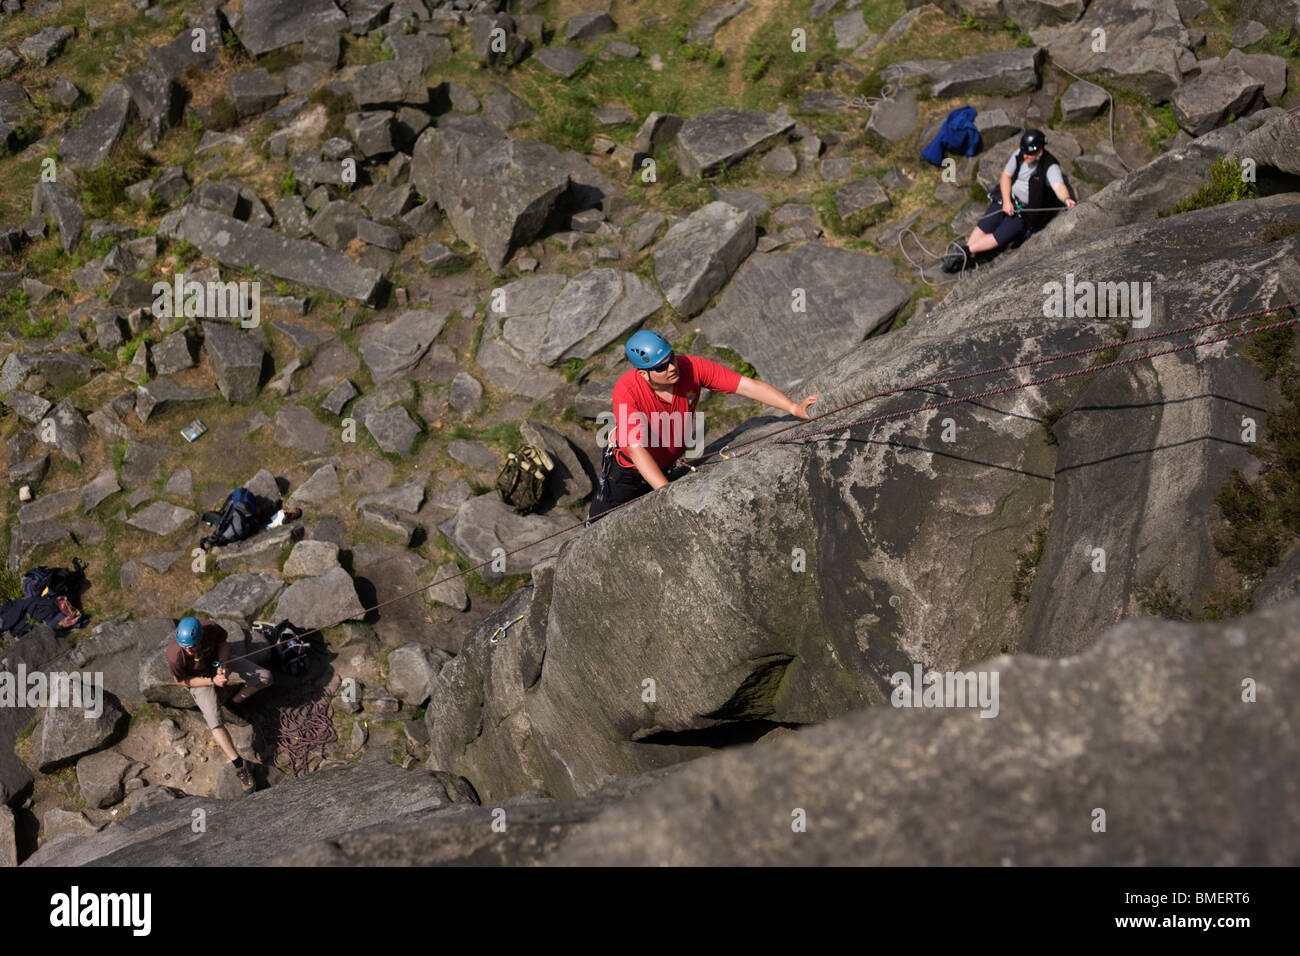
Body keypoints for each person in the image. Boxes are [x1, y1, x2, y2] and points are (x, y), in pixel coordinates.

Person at [587, 330, 819, 522]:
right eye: (661, 367)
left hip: (667, 464)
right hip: (627, 473)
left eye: (671, 358)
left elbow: (745, 385)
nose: (671, 367)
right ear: (643, 374)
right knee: (599, 524)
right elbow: (636, 448)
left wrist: (793, 408)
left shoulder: (692, 367)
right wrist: (668, 493)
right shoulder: (627, 390)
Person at [943, 129, 1076, 273]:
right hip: (1005, 198)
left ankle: (964, 252)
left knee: (999, 237)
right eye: (1023, 152)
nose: (1024, 156)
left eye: (1028, 154)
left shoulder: (1050, 167)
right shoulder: (1020, 154)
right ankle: (965, 253)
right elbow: (1006, 176)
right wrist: (1007, 201)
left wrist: (1067, 199)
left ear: (1040, 152)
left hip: (1024, 213)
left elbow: (1059, 186)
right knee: (984, 225)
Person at [167, 617, 273, 794]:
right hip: (200, 680)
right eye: (186, 647)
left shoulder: (211, 629)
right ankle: (240, 766)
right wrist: (211, 681)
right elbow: (182, 681)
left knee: (266, 677)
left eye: (192, 646)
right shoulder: (175, 655)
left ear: (201, 637)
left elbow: (223, 644)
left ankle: (233, 703)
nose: (189, 650)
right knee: (214, 722)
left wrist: (222, 664)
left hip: (218, 666)